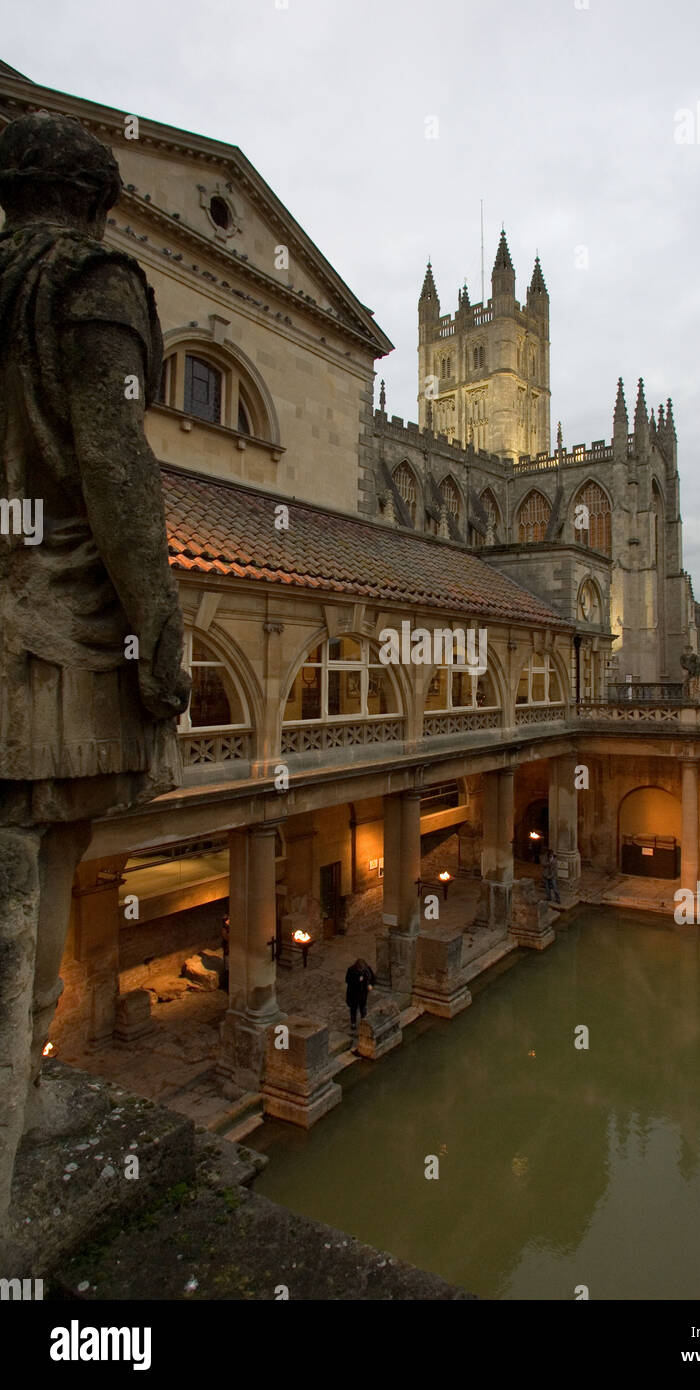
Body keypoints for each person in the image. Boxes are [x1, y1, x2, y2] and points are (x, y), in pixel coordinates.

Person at [0, 111, 189, 1231]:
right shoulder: (93, 281)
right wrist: (160, 632)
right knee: (28, 901)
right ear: (99, 200)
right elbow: (119, 465)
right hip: (51, 636)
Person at [345, 957, 376, 1032]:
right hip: (353, 994)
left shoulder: (367, 969)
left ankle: (364, 1022)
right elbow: (347, 980)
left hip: (363, 993)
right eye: (360, 969)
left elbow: (373, 978)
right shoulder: (351, 970)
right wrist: (357, 980)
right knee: (353, 1009)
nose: (361, 971)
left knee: (363, 1007)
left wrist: (371, 985)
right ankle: (353, 1023)